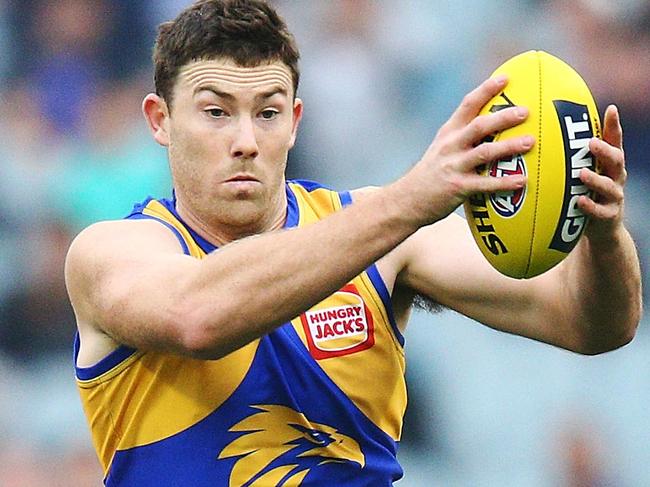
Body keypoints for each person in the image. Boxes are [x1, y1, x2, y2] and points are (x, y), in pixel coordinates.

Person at [64, 0, 642, 485]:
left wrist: (601, 231)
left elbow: (591, 324)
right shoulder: (112, 252)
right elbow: (198, 317)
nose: (244, 139)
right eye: (215, 112)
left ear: (294, 121)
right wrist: (411, 198)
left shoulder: (378, 234)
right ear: (159, 120)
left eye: (266, 113)